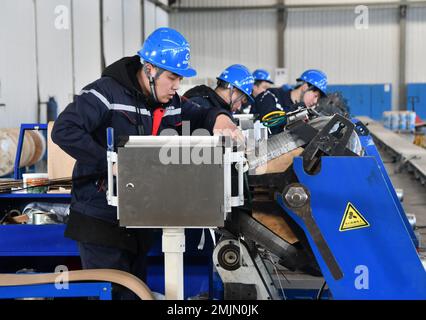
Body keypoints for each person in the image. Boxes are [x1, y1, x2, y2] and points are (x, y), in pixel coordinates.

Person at [51, 27, 240, 299]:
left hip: (138, 219)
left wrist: (220, 118)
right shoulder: (106, 93)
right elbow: (64, 130)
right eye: (172, 77)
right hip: (100, 218)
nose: (177, 86)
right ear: (150, 69)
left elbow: (201, 115)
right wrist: (111, 164)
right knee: (116, 294)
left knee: (136, 293)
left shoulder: (171, 101)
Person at [254, 69, 328, 134]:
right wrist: (297, 110)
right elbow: (270, 119)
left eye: (317, 98)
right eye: (315, 96)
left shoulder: (302, 110)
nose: (315, 101)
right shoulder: (270, 95)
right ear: (305, 87)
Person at [183, 64, 254, 117]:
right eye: (241, 100)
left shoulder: (219, 107)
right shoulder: (199, 105)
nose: (239, 106)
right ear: (232, 89)